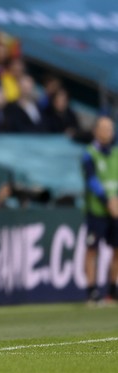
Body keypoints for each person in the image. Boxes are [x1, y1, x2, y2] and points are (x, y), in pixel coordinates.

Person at [82, 116, 118, 305]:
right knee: (92, 250)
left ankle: (112, 290)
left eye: (110, 129)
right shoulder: (89, 153)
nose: (107, 132)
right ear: (96, 131)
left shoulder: (116, 153)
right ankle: (91, 291)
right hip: (96, 211)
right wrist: (107, 200)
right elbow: (91, 180)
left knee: (116, 250)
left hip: (116, 209)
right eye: (104, 128)